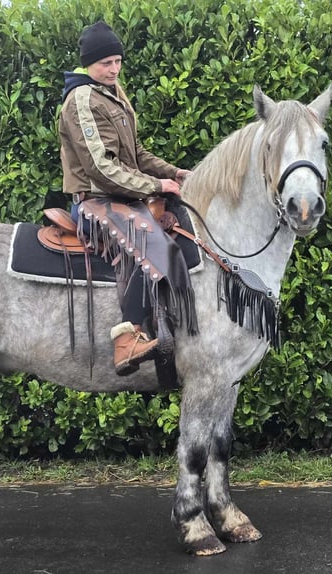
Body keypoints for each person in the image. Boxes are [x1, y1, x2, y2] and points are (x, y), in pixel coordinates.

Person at [58, 21, 194, 376]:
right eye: (106, 62)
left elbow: (136, 153)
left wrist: (172, 173)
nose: (114, 69)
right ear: (89, 63)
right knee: (144, 240)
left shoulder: (115, 92)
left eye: (118, 61)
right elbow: (101, 167)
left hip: (122, 196)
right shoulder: (81, 100)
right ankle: (127, 339)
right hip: (95, 200)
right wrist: (154, 187)